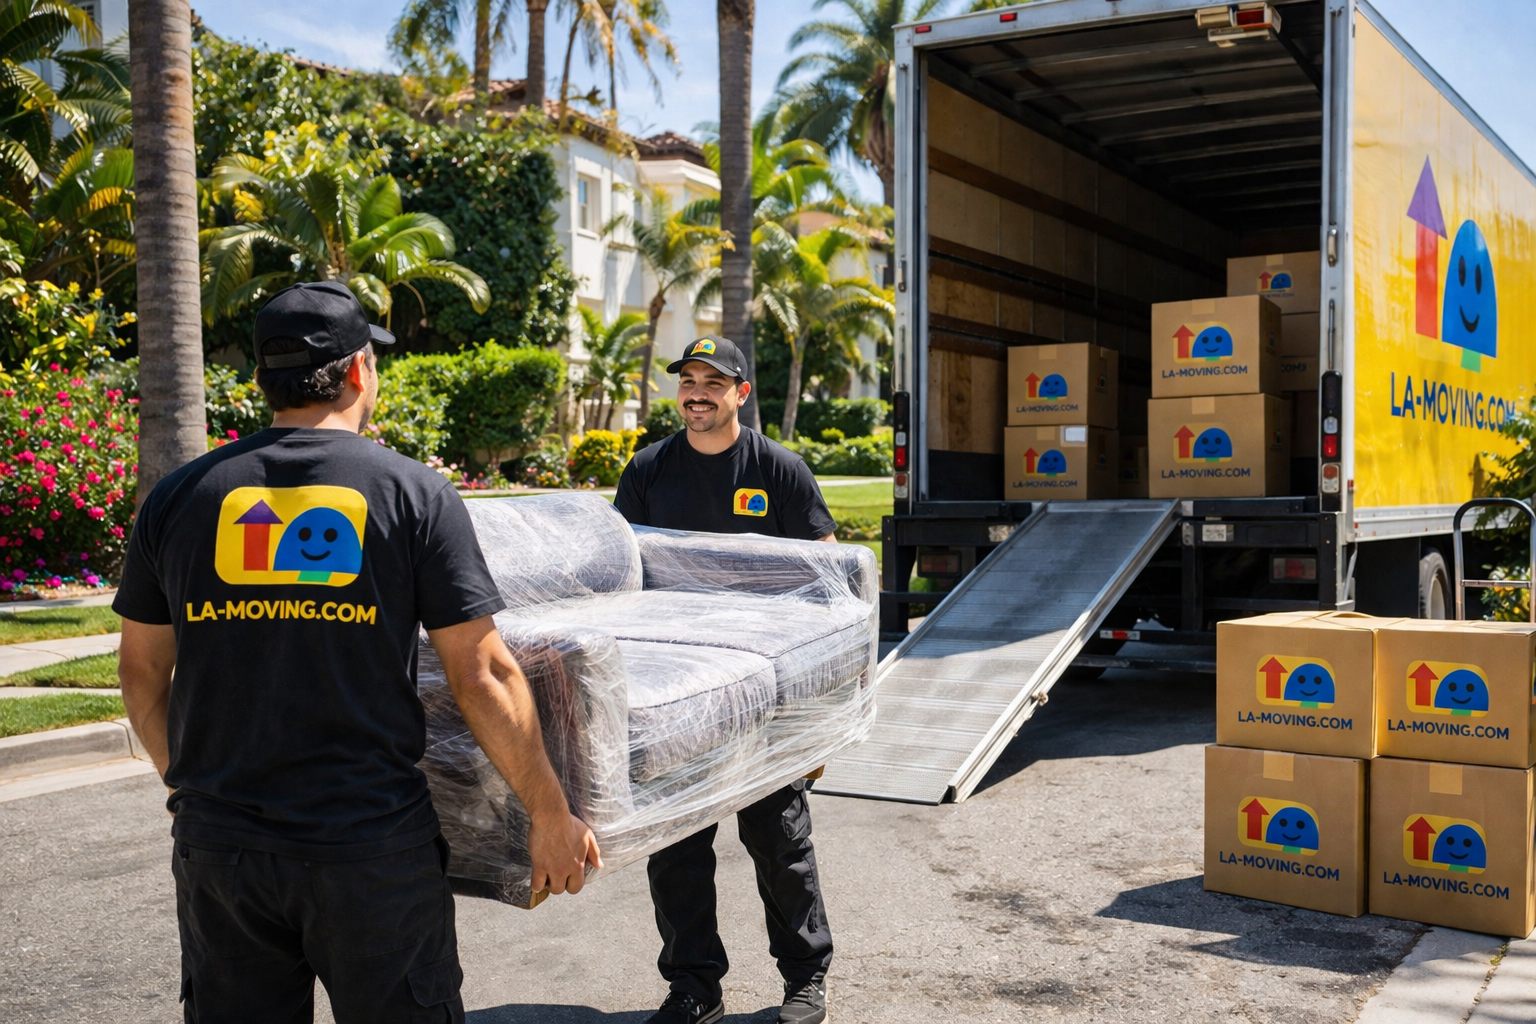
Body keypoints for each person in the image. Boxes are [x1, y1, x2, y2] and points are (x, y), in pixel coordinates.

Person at [115, 281, 602, 1024]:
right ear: (357, 372)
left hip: (222, 855)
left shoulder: (181, 497)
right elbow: (483, 672)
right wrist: (549, 811)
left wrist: (194, 789)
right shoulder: (411, 493)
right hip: (369, 850)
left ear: (260, 380)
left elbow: (142, 673)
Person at [615, 335, 836, 1024]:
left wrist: (821, 715)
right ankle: (693, 988)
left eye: (715, 381)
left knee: (780, 841)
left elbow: (830, 587)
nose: (697, 392)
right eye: (688, 379)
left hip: (768, 697)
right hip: (676, 696)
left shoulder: (778, 469)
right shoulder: (649, 470)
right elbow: (620, 584)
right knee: (675, 849)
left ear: (742, 393)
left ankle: (804, 980)